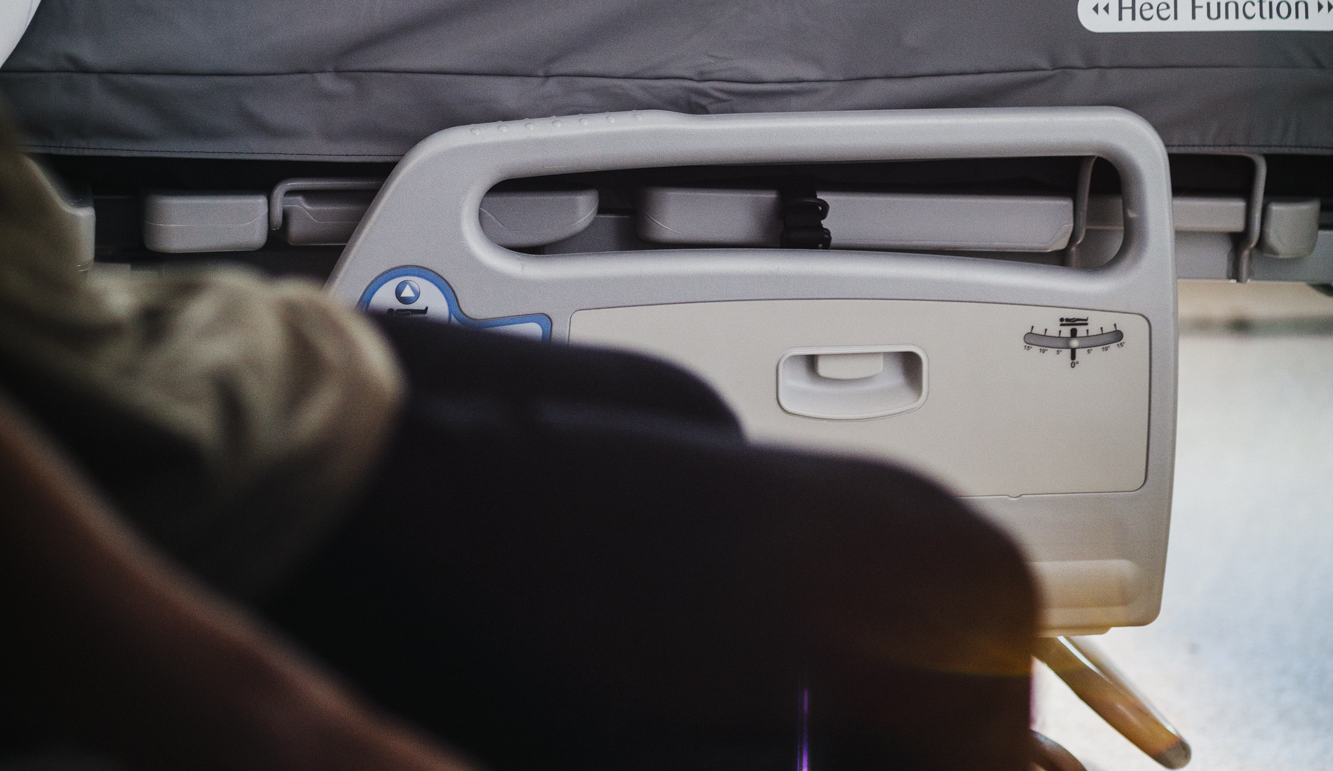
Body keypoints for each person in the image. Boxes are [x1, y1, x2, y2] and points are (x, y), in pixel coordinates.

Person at [0, 101, 1039, 770]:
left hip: (170, 350)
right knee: (948, 578)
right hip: (167, 474)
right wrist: (296, 727)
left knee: (684, 407)